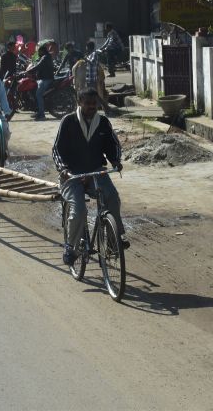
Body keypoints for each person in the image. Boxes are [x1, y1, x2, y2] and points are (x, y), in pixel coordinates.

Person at [52, 89, 129, 266]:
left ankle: (113, 240)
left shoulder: (102, 122)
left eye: (94, 104)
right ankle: (70, 248)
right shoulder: (68, 121)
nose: (91, 107)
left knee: (112, 198)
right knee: (79, 209)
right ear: (79, 102)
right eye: (87, 103)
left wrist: (115, 161)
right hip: (71, 175)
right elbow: (57, 149)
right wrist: (63, 169)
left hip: (95, 171)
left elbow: (112, 145)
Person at [72, 41, 111, 114]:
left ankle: (106, 108)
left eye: (86, 47)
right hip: (90, 78)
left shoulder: (94, 53)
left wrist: (85, 59)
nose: (86, 48)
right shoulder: (91, 54)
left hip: (93, 78)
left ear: (89, 47)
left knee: (95, 95)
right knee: (94, 95)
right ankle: (105, 108)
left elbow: (92, 62)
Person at [27, 44, 54, 121]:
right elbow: (37, 62)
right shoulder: (44, 57)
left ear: (42, 51)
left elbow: (39, 66)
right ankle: (38, 111)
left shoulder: (45, 57)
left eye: (39, 51)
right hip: (43, 78)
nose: (38, 52)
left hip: (46, 79)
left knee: (38, 94)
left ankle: (42, 115)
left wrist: (28, 71)